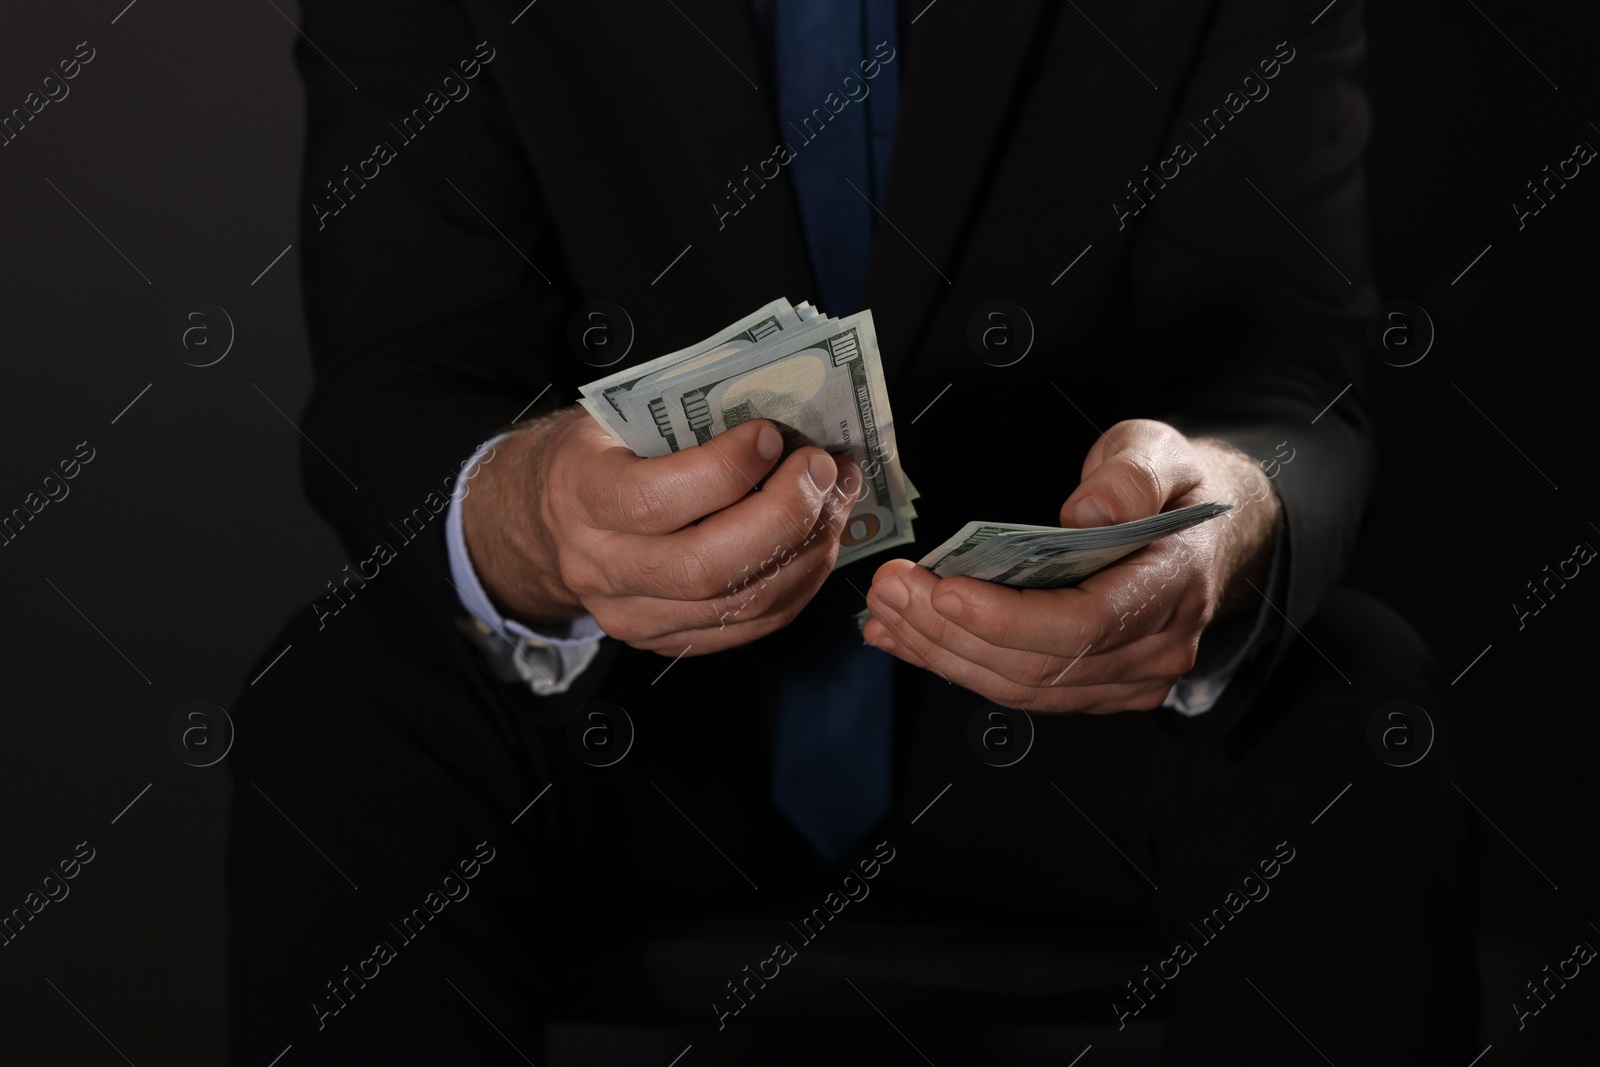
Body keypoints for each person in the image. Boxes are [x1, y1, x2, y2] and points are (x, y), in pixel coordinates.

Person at [227, 1, 1478, 1063]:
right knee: (341, 702)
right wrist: (535, 517)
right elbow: (400, 386)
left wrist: (1217, 521)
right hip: (625, 719)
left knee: (1357, 710)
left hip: (1070, 721)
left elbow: (1287, 385)